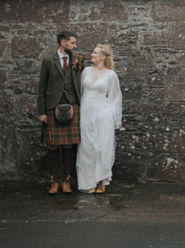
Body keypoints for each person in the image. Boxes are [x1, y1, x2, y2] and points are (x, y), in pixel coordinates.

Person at [37, 31, 83, 195]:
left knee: (69, 145)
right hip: (52, 106)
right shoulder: (49, 60)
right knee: (53, 144)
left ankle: (66, 181)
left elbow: (81, 82)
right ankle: (54, 182)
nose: (75, 46)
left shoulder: (78, 60)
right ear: (63, 43)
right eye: (72, 43)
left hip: (72, 106)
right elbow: (42, 87)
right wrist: (42, 112)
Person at [77, 44, 122, 194]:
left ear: (103, 57)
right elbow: (80, 91)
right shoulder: (86, 71)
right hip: (86, 112)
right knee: (87, 146)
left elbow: (116, 98)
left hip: (102, 114)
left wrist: (108, 112)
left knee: (101, 147)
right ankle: (88, 181)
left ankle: (101, 179)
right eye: (92, 52)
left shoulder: (111, 75)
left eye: (95, 53)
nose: (92, 55)